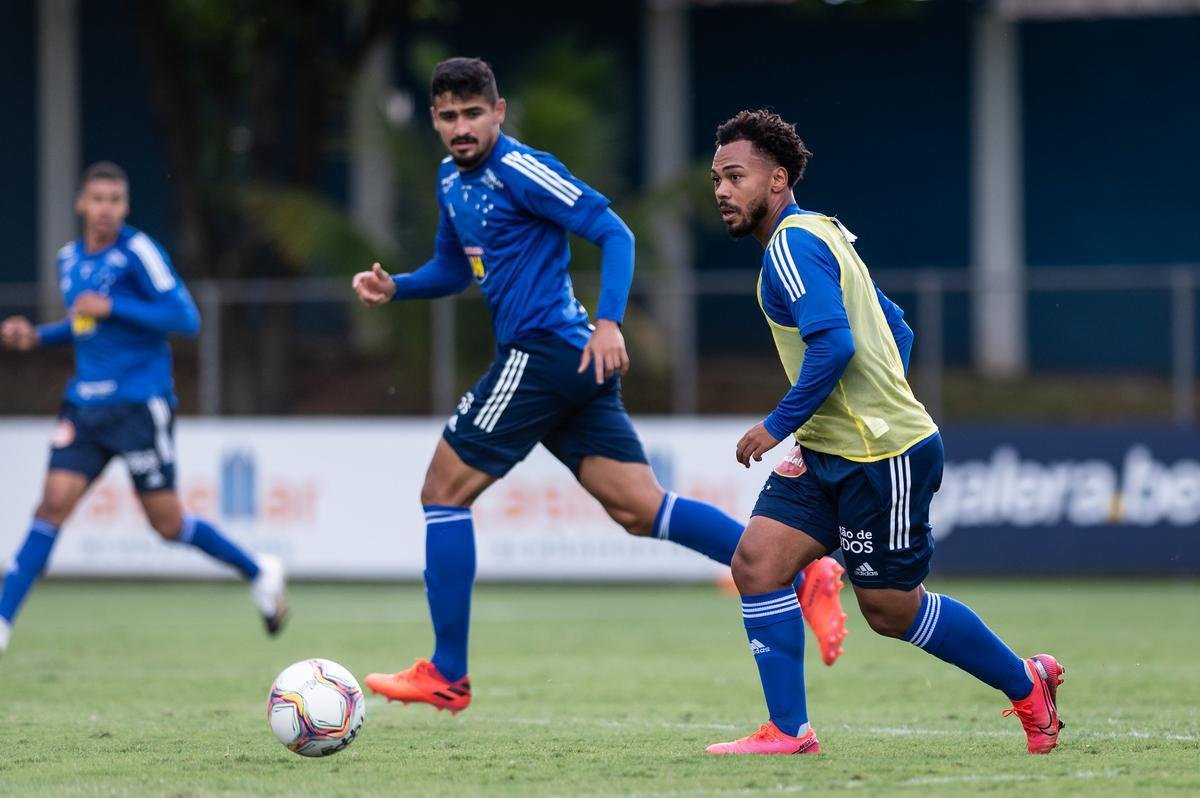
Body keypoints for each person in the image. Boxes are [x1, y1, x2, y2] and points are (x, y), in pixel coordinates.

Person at [351, 58, 847, 714]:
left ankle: (448, 672)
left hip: (546, 352)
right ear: (436, 119)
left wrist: (609, 321)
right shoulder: (452, 180)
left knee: (441, 491)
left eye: (474, 113)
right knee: (641, 509)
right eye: (448, 116)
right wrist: (400, 287)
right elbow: (453, 265)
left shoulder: (520, 170)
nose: (461, 127)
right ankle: (806, 572)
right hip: (567, 367)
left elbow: (614, 231)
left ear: (498, 113)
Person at [703, 110, 1065, 755]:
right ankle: (789, 731)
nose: (723, 191)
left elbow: (835, 346)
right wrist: (841, 413)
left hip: (884, 455)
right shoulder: (821, 234)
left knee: (890, 611)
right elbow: (895, 326)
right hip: (832, 448)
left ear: (778, 179)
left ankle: (1027, 681)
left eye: (736, 177)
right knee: (757, 564)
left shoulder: (791, 243)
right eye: (717, 179)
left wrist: (779, 425)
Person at [0, 162, 287, 656]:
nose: (106, 208)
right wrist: (40, 336)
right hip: (85, 407)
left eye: (115, 199)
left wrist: (116, 307)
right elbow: (84, 323)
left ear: (125, 206)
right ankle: (3, 622)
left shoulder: (137, 252)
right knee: (50, 507)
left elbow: (186, 317)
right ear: (80, 204)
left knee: (168, 524)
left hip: (138, 406)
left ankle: (259, 570)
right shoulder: (69, 259)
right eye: (98, 198)